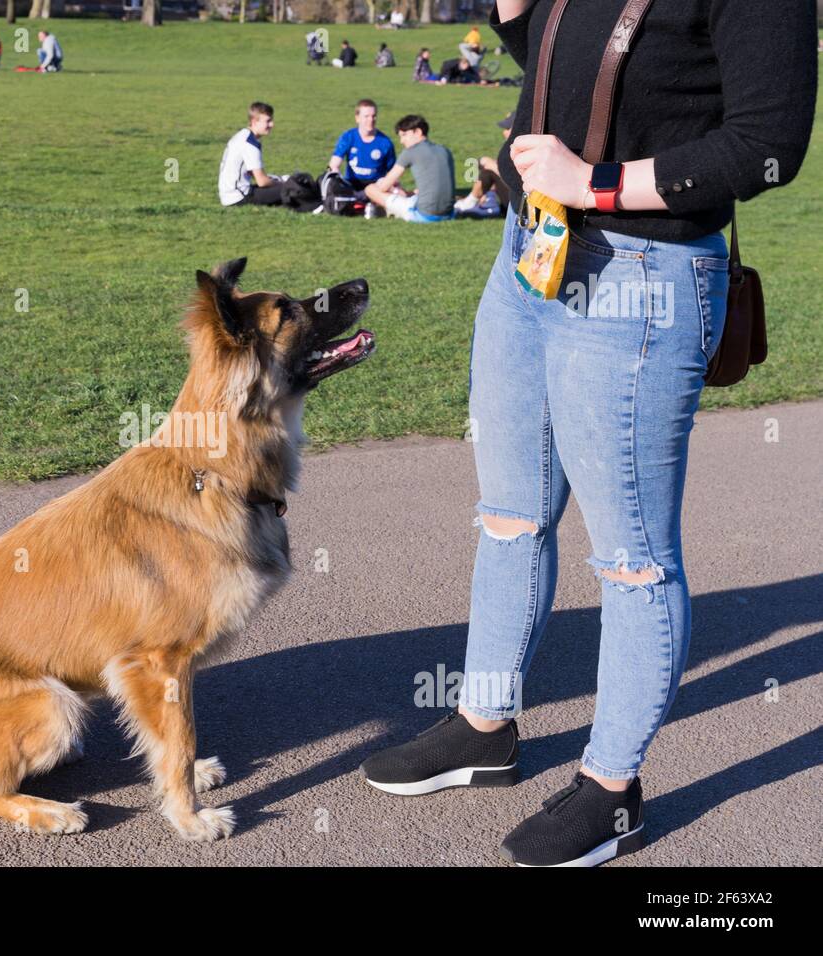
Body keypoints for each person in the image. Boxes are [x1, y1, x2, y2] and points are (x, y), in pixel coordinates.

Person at [360, 0, 817, 868]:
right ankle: (485, 727)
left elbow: (769, 144)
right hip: (531, 253)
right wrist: (513, 18)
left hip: (640, 276)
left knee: (633, 559)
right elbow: (568, 60)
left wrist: (594, 183)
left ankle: (612, 792)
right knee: (508, 515)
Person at [363, 114, 456, 222]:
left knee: (370, 189)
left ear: (418, 132)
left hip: (423, 216)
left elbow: (384, 187)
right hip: (449, 215)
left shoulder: (410, 152)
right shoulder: (444, 151)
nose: (401, 141)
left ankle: (384, 212)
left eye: (404, 135)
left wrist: (394, 189)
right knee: (415, 192)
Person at [218, 102, 286, 208]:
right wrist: (282, 182)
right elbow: (262, 182)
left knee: (283, 186)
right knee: (293, 188)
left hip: (230, 195)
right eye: (268, 121)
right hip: (239, 198)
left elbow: (253, 173)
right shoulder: (250, 144)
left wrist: (276, 179)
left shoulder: (242, 135)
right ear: (254, 121)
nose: (272, 125)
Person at [328, 99, 396, 196]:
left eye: (374, 116)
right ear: (357, 118)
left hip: (376, 187)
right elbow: (334, 164)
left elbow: (393, 173)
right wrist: (336, 176)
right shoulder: (348, 137)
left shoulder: (385, 143)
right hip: (351, 184)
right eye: (366, 116)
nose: (371, 120)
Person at [455, 111, 513, 218]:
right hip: (515, 201)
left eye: (507, 128)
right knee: (486, 166)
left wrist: (493, 166)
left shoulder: (519, 148)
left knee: (488, 172)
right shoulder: (513, 146)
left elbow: (515, 179)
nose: (504, 132)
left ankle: (470, 202)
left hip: (518, 204)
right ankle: (482, 198)